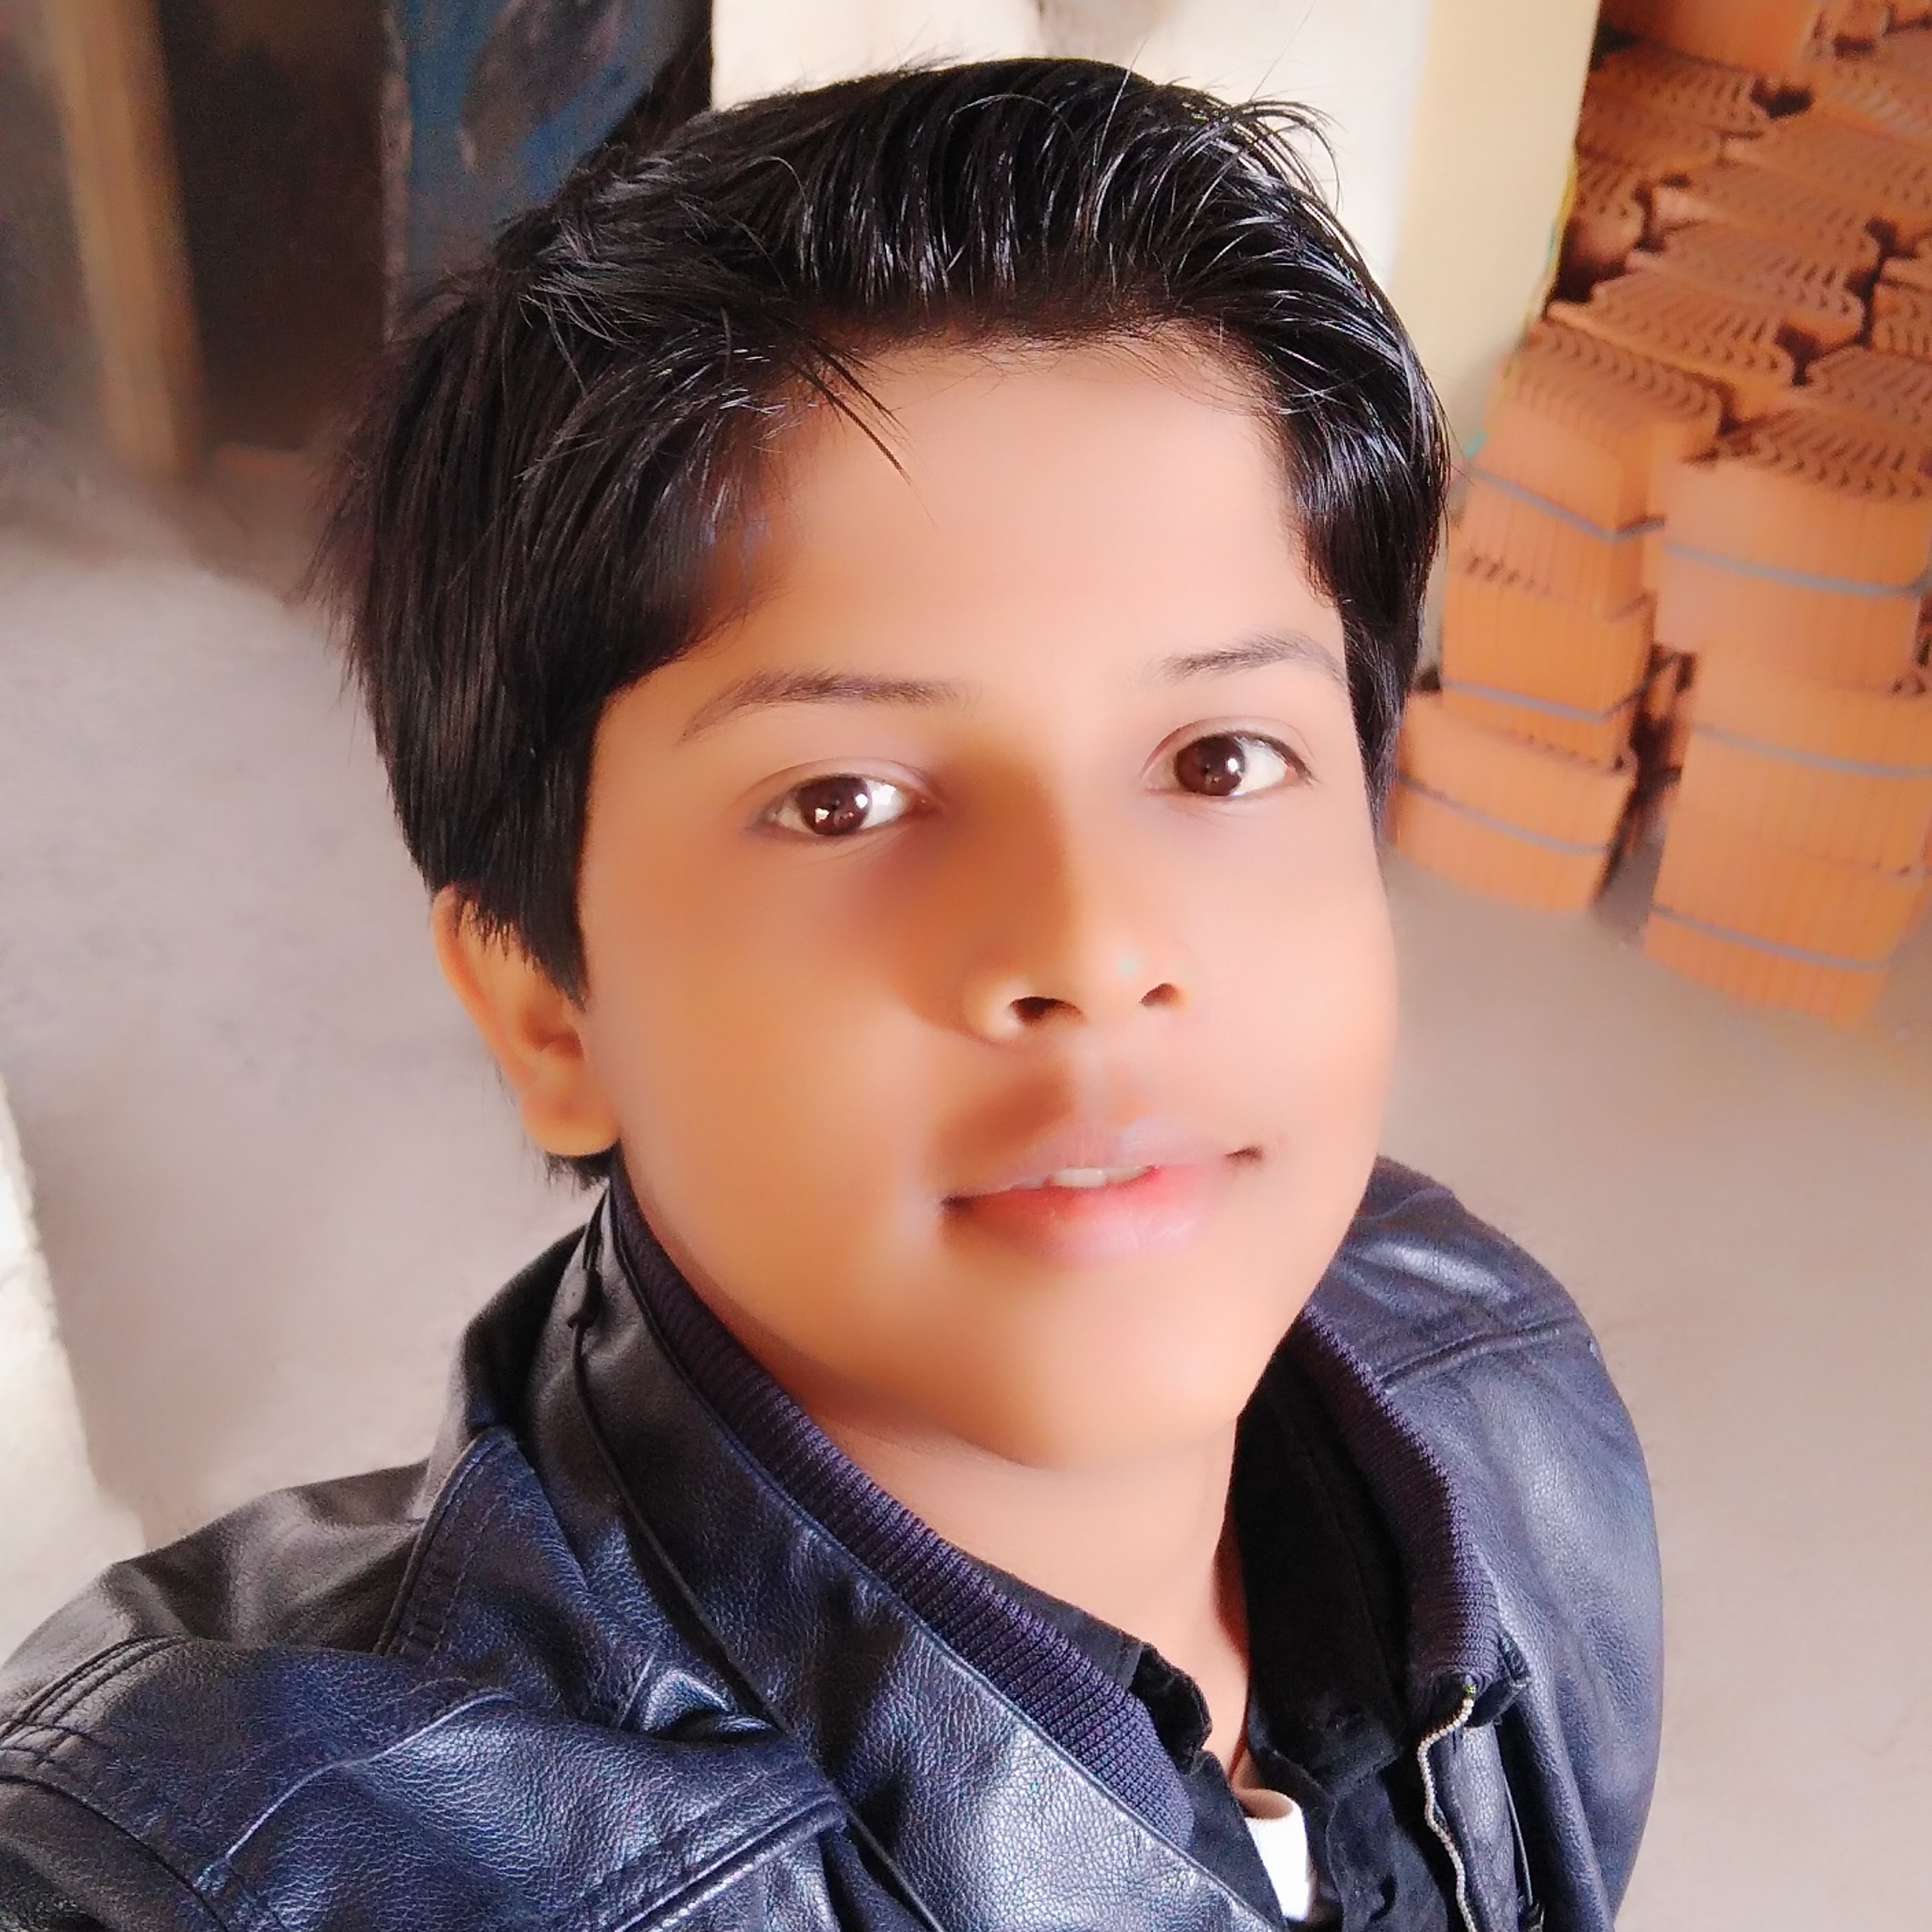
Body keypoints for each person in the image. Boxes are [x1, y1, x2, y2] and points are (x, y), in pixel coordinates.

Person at [0, 60, 1660, 1932]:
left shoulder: (1496, 1409)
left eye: (1220, 757)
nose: (1093, 946)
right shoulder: (243, 1861)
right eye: (843, 800)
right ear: (547, 1010)